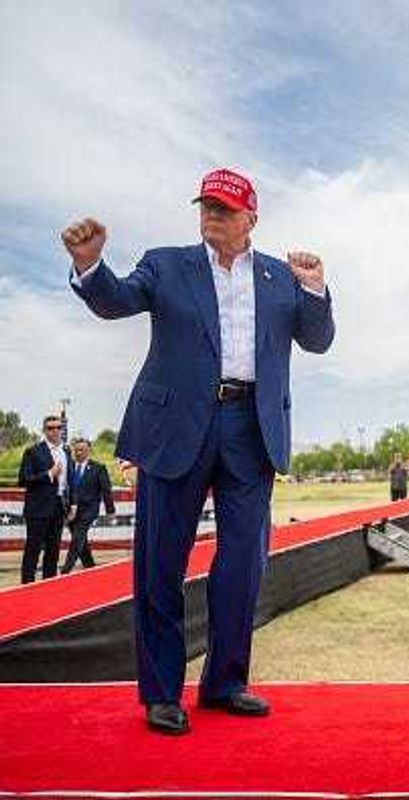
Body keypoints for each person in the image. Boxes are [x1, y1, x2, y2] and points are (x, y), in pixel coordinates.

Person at [63, 167, 335, 735]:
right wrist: (90, 266)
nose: (212, 213)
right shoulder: (166, 264)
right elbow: (116, 300)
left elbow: (316, 338)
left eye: (225, 208)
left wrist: (314, 287)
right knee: (161, 562)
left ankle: (225, 683)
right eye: (206, 204)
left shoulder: (280, 278)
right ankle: (162, 692)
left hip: (250, 428)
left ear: (251, 219)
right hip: (175, 428)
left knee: (242, 565)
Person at [17, 415, 76, 583]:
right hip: (37, 508)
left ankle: (49, 586)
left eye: (58, 427)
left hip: (59, 507)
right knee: (33, 550)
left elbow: (70, 481)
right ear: (44, 430)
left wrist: (73, 504)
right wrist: (49, 474)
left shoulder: (66, 451)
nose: (55, 431)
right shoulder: (33, 451)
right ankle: (27, 587)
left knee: (53, 550)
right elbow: (23, 480)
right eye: (51, 428)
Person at [62, 437, 116, 574]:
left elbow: (106, 491)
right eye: (77, 450)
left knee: (76, 540)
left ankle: (65, 571)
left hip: (89, 511)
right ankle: (91, 569)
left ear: (88, 451)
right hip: (71, 511)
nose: (79, 452)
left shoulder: (99, 468)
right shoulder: (69, 467)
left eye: (82, 450)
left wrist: (110, 511)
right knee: (81, 541)